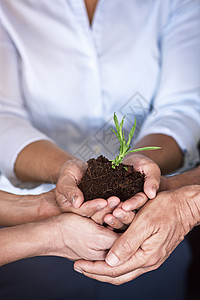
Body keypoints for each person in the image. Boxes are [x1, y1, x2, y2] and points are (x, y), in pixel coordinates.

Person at [0, 0, 199, 299]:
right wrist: (62, 170)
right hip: (34, 229)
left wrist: (143, 167)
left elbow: (182, 106)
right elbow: (4, 115)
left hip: (150, 218)